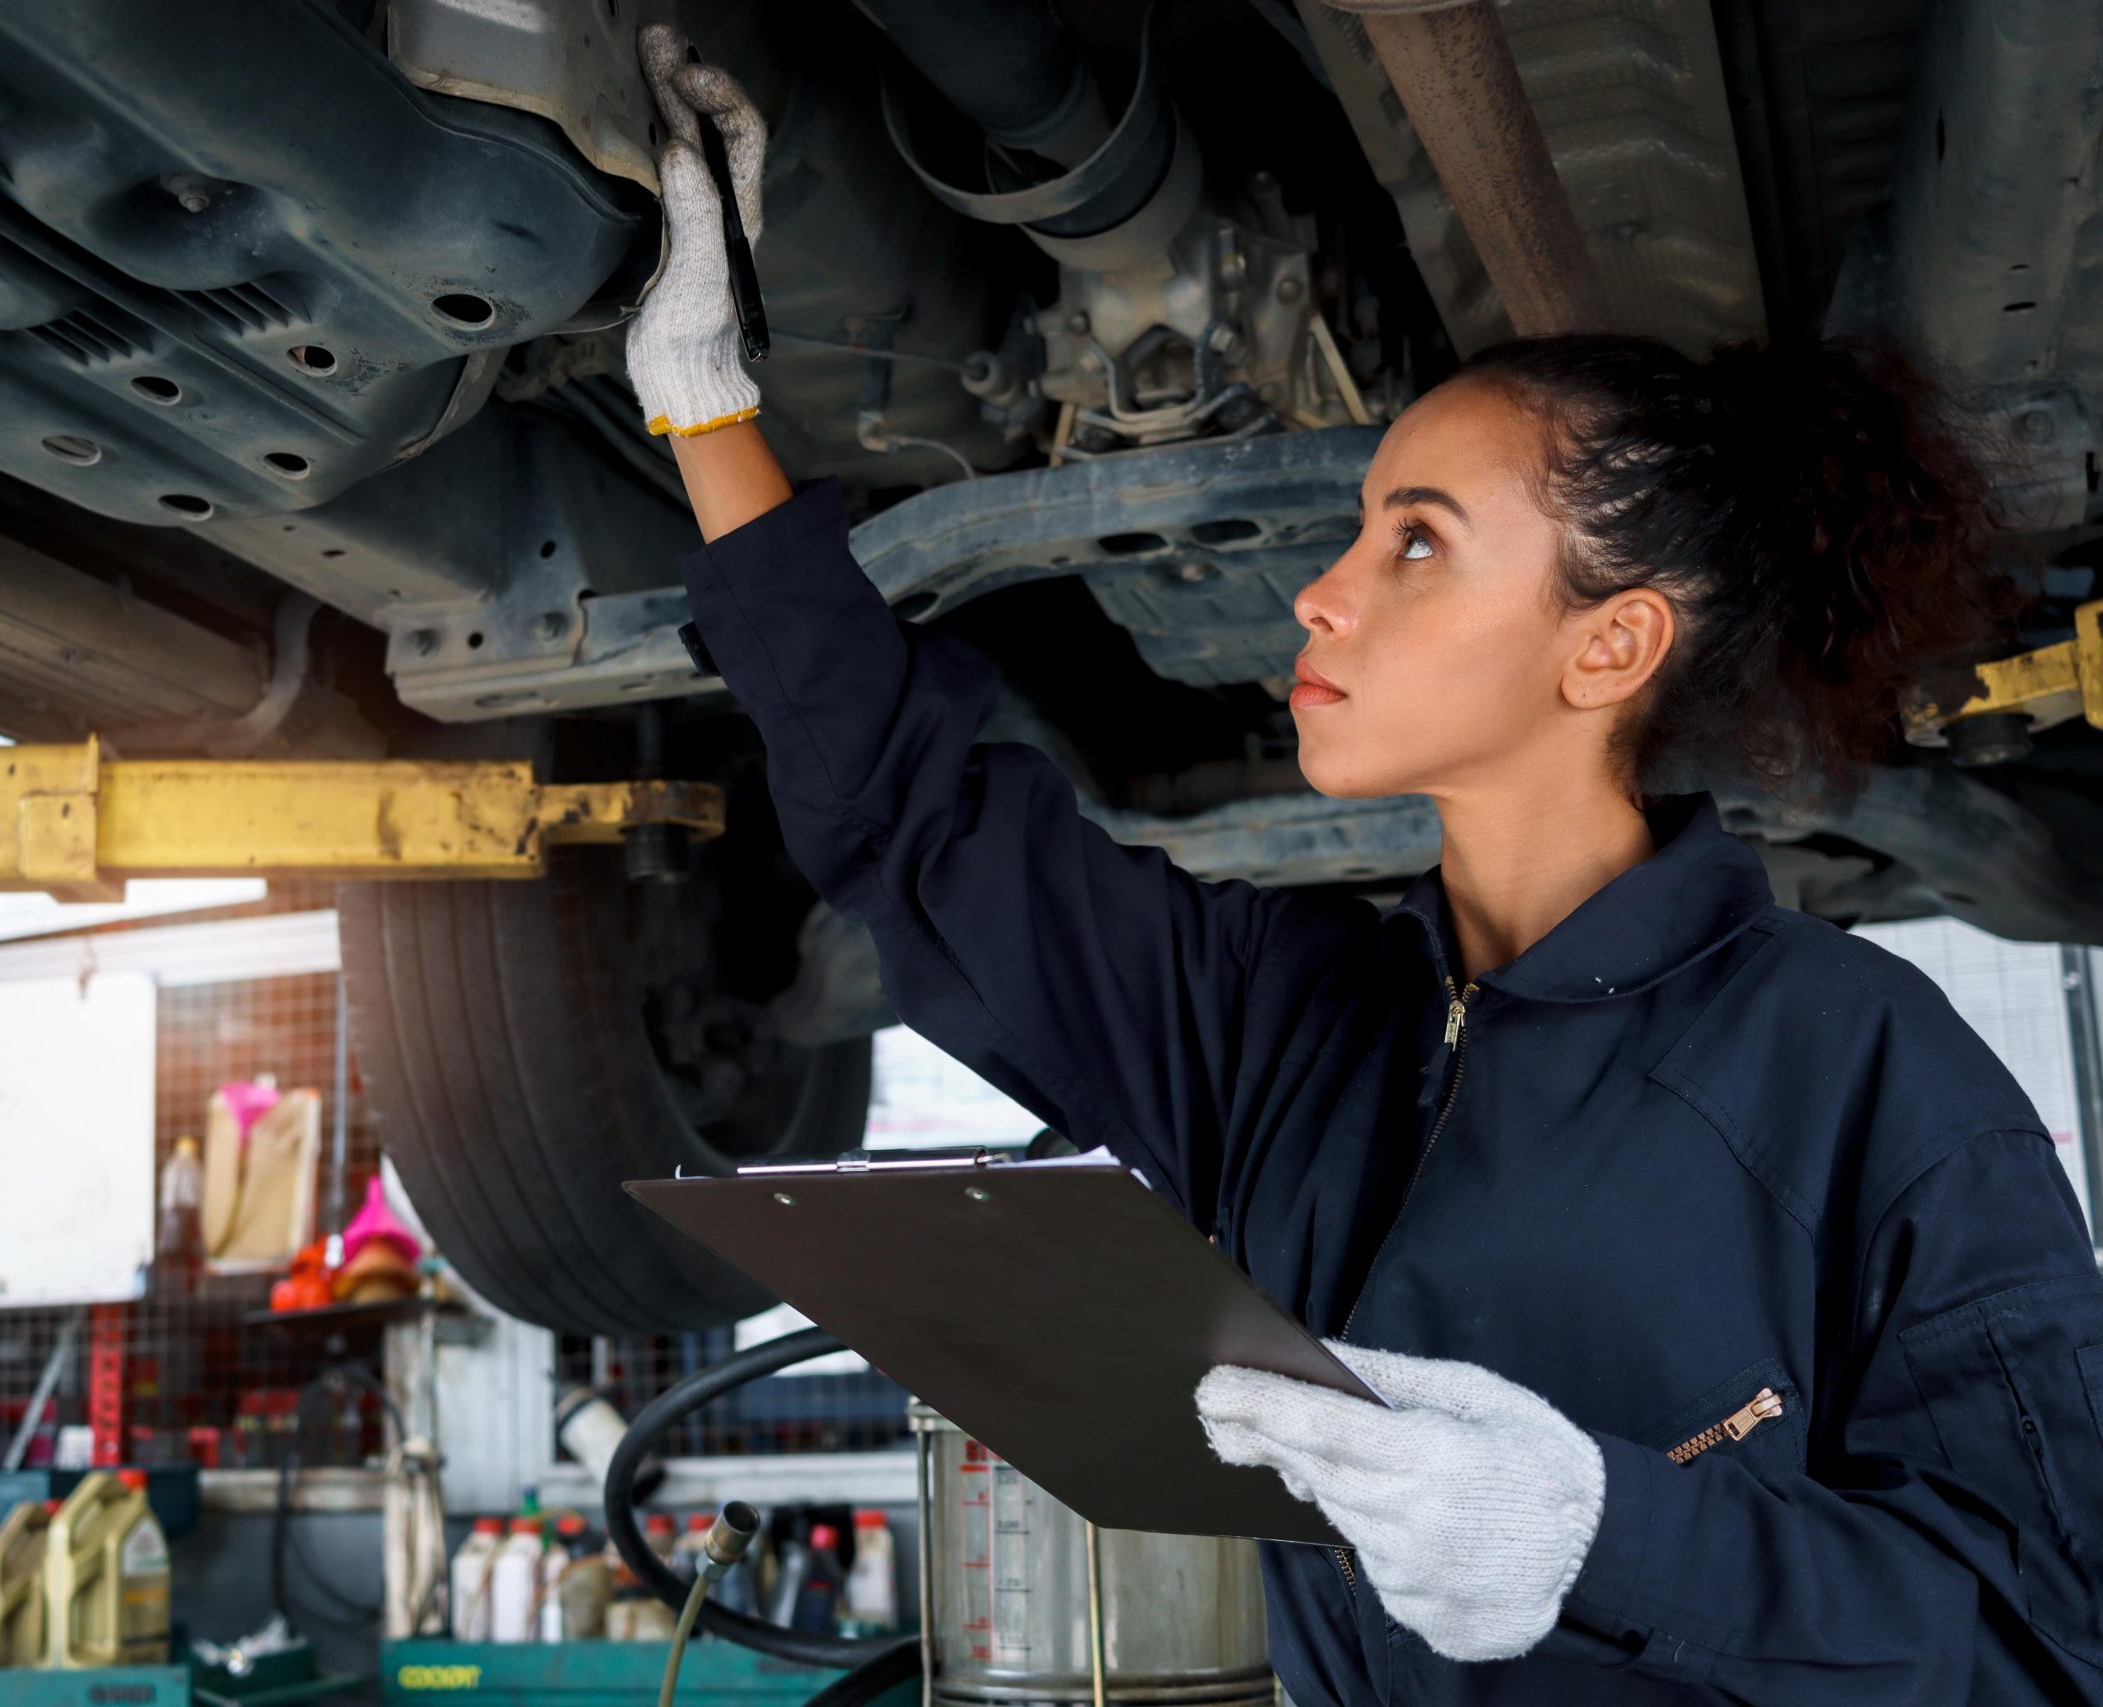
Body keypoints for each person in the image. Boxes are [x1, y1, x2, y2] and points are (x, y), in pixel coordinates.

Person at [626, 28, 2103, 1706]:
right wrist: (705, 405)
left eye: (1415, 543)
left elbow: (2046, 1654)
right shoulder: (1285, 1021)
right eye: (1357, 533)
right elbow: (920, 826)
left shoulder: (1860, 1068)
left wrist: (1609, 1538)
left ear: (1609, 645)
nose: (1323, 593)